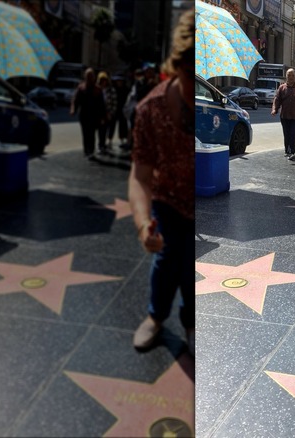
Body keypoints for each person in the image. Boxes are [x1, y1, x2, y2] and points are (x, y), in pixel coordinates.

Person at [128, 9, 195, 355]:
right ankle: (156, 316)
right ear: (176, 65)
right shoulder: (149, 109)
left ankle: (192, 323)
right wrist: (142, 226)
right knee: (166, 260)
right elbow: (140, 175)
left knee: (191, 269)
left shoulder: (207, 108)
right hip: (167, 201)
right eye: (188, 73)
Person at [272, 68, 295, 160]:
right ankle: (286, 150)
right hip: (285, 115)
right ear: (286, 77)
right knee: (286, 134)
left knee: (293, 133)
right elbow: (277, 99)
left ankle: (291, 151)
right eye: (289, 75)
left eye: (292, 75)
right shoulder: (282, 88)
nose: (291, 77)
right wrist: (274, 109)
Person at [70, 68, 105, 159]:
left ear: (94, 77)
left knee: (92, 134)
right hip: (83, 115)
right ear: (85, 77)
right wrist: (73, 109)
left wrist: (102, 116)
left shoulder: (98, 89)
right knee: (85, 133)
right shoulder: (81, 87)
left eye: (91, 76)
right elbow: (75, 100)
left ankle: (91, 151)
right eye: (87, 76)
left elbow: (102, 104)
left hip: (94, 116)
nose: (89, 78)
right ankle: (86, 151)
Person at [96, 71, 117, 155]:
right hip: (99, 114)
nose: (104, 82)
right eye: (102, 80)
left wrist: (111, 113)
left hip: (107, 113)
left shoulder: (111, 90)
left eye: (105, 80)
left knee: (105, 130)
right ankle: (100, 145)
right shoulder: (97, 89)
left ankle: (103, 145)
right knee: (100, 130)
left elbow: (114, 103)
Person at [111, 75, 129, 147]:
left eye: (120, 81)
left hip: (123, 108)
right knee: (112, 124)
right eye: (118, 81)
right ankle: (110, 139)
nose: (119, 83)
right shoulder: (113, 89)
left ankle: (122, 138)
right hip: (115, 108)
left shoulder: (126, 89)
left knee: (123, 124)